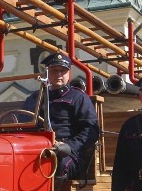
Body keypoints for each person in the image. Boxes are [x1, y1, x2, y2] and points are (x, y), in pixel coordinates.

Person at [23, 52, 100, 184]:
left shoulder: (78, 97)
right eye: (54, 71)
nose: (58, 74)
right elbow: (23, 125)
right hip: (37, 149)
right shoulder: (35, 98)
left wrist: (68, 146)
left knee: (56, 163)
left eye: (62, 71)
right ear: (46, 73)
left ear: (69, 74)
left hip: (68, 154)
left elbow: (91, 131)